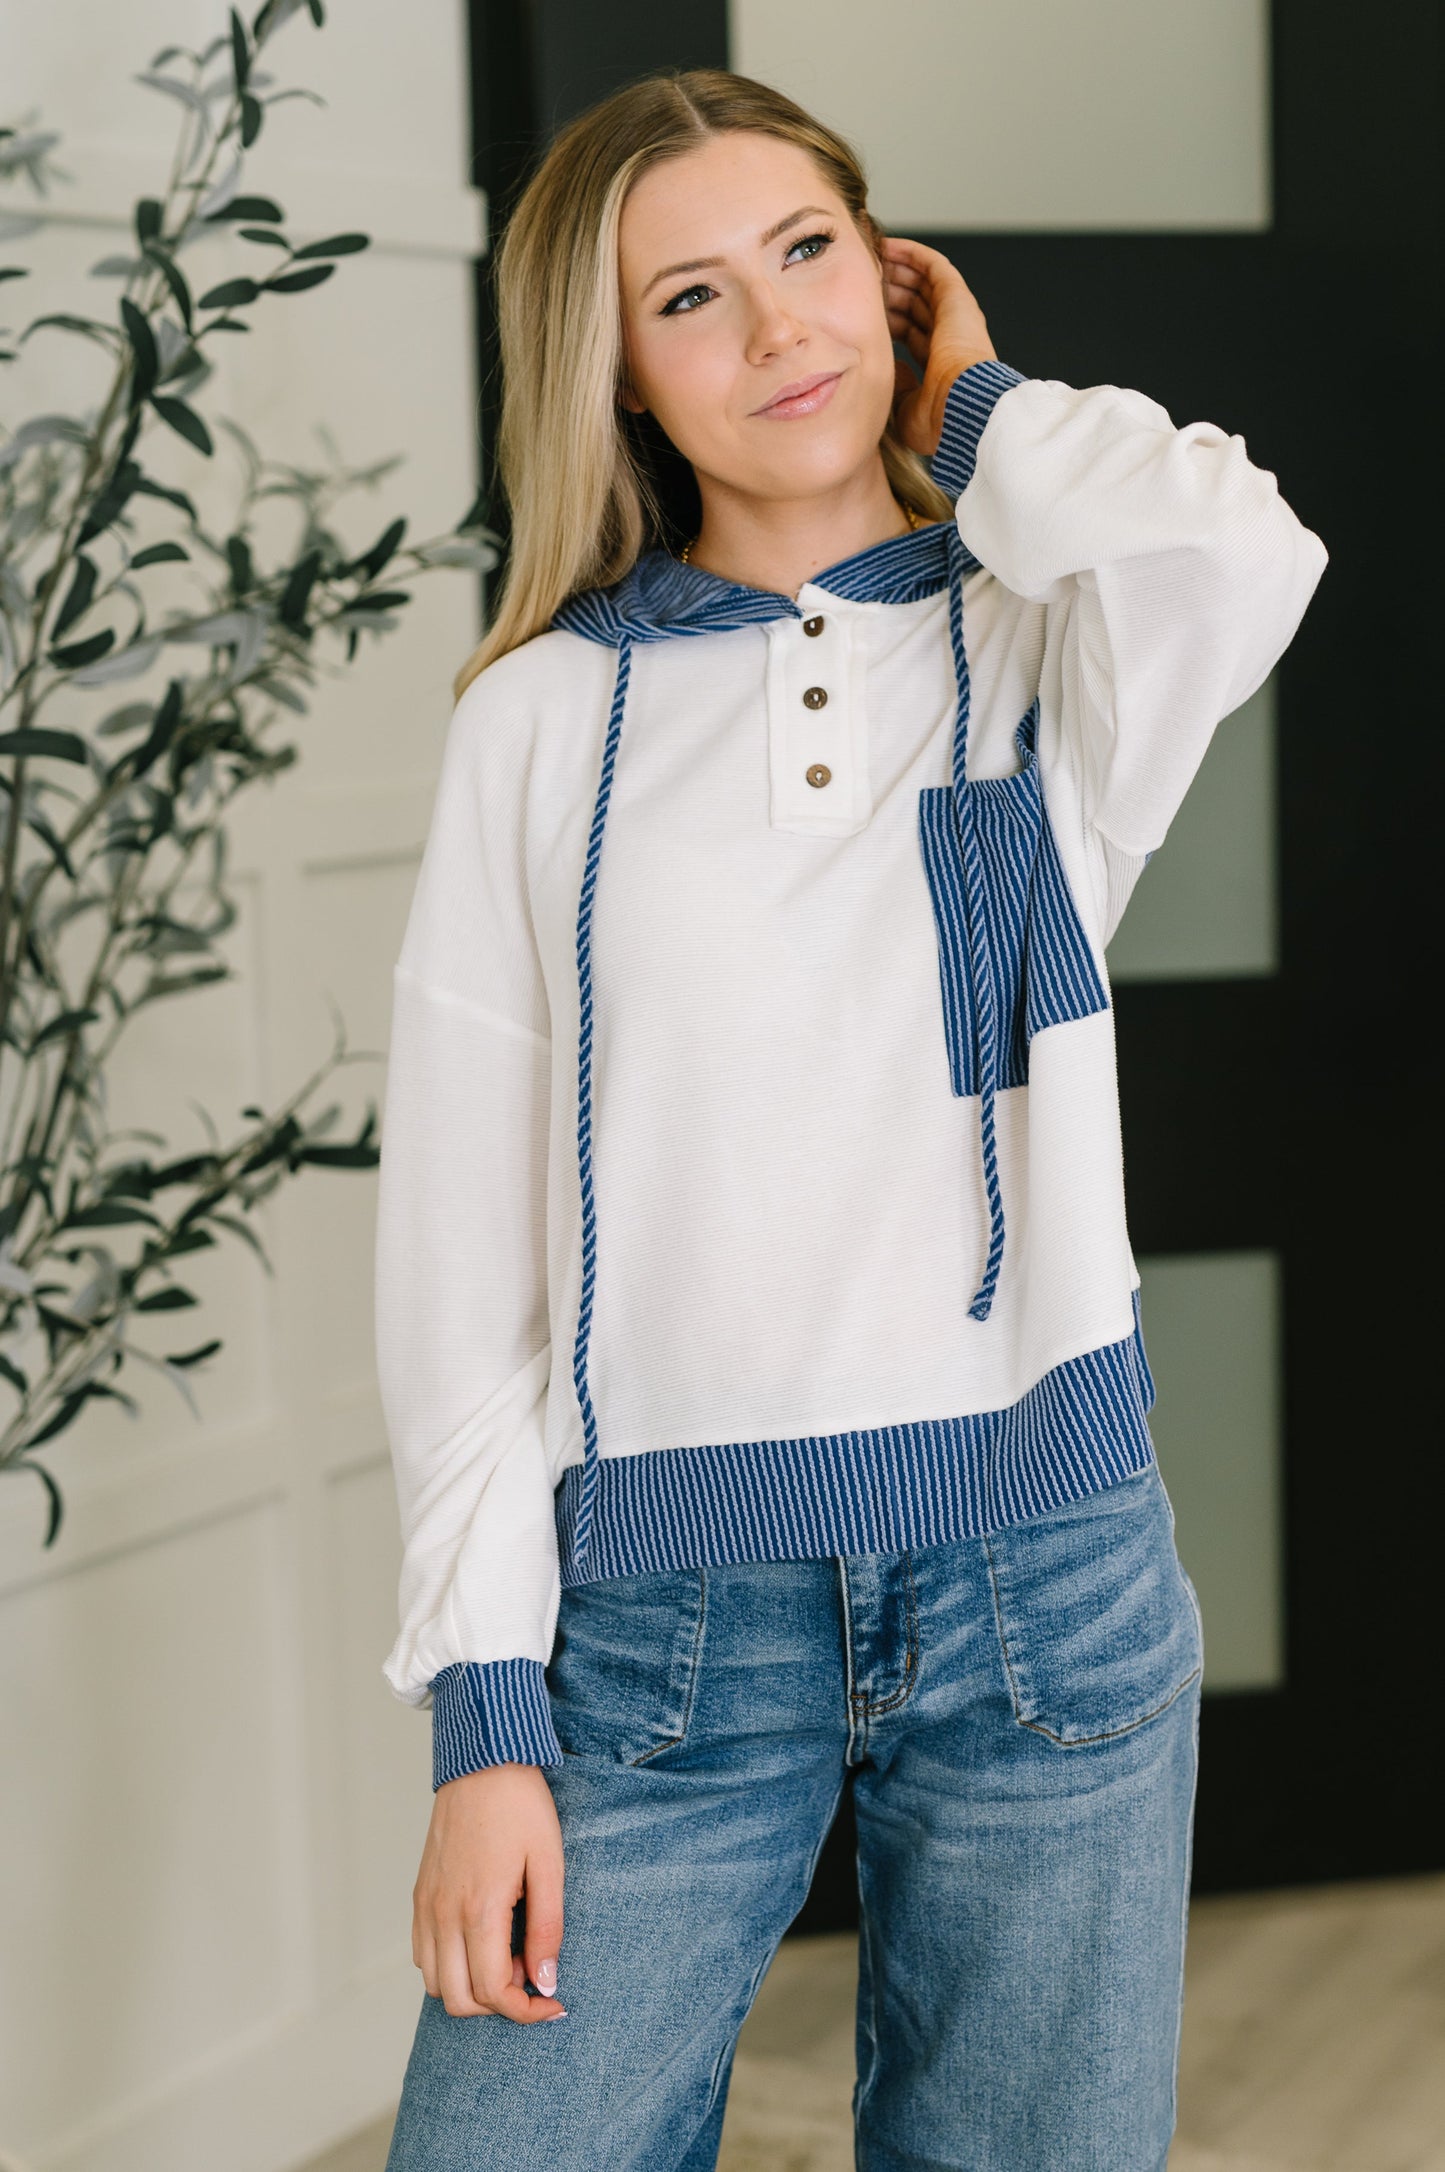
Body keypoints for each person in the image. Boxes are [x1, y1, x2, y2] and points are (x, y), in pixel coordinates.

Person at [375, 65, 1327, 2172]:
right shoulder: (544, 720)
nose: (778, 328)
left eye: (810, 254)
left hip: (1043, 1578)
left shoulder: (1055, 642)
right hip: (658, 1623)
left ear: (892, 276)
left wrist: (974, 402)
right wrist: (485, 1721)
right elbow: (456, 1265)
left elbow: (1239, 540)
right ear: (616, 372)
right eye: (691, 296)